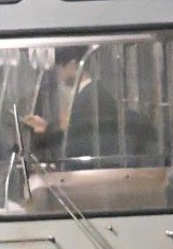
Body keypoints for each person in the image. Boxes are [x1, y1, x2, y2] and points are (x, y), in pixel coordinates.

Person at [21, 46, 156, 169]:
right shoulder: (89, 94)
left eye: (60, 67)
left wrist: (45, 135)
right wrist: (46, 128)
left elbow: (76, 143)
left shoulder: (91, 98)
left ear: (73, 65)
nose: (58, 73)